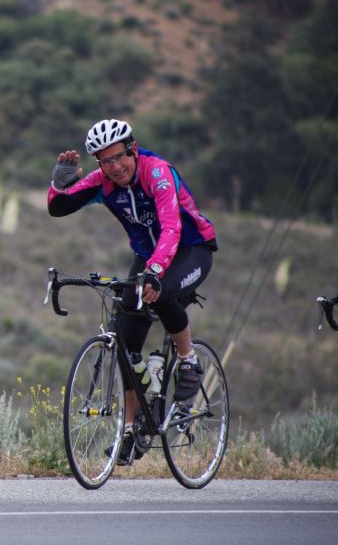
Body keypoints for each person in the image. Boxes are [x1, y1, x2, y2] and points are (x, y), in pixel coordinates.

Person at [47, 118, 218, 465]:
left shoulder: (157, 173)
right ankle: (130, 430)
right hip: (146, 257)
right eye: (105, 161)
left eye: (119, 157)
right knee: (126, 342)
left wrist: (155, 273)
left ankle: (188, 361)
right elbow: (58, 208)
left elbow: (171, 227)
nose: (114, 167)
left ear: (133, 150)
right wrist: (58, 184)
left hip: (190, 249)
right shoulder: (103, 182)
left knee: (163, 292)